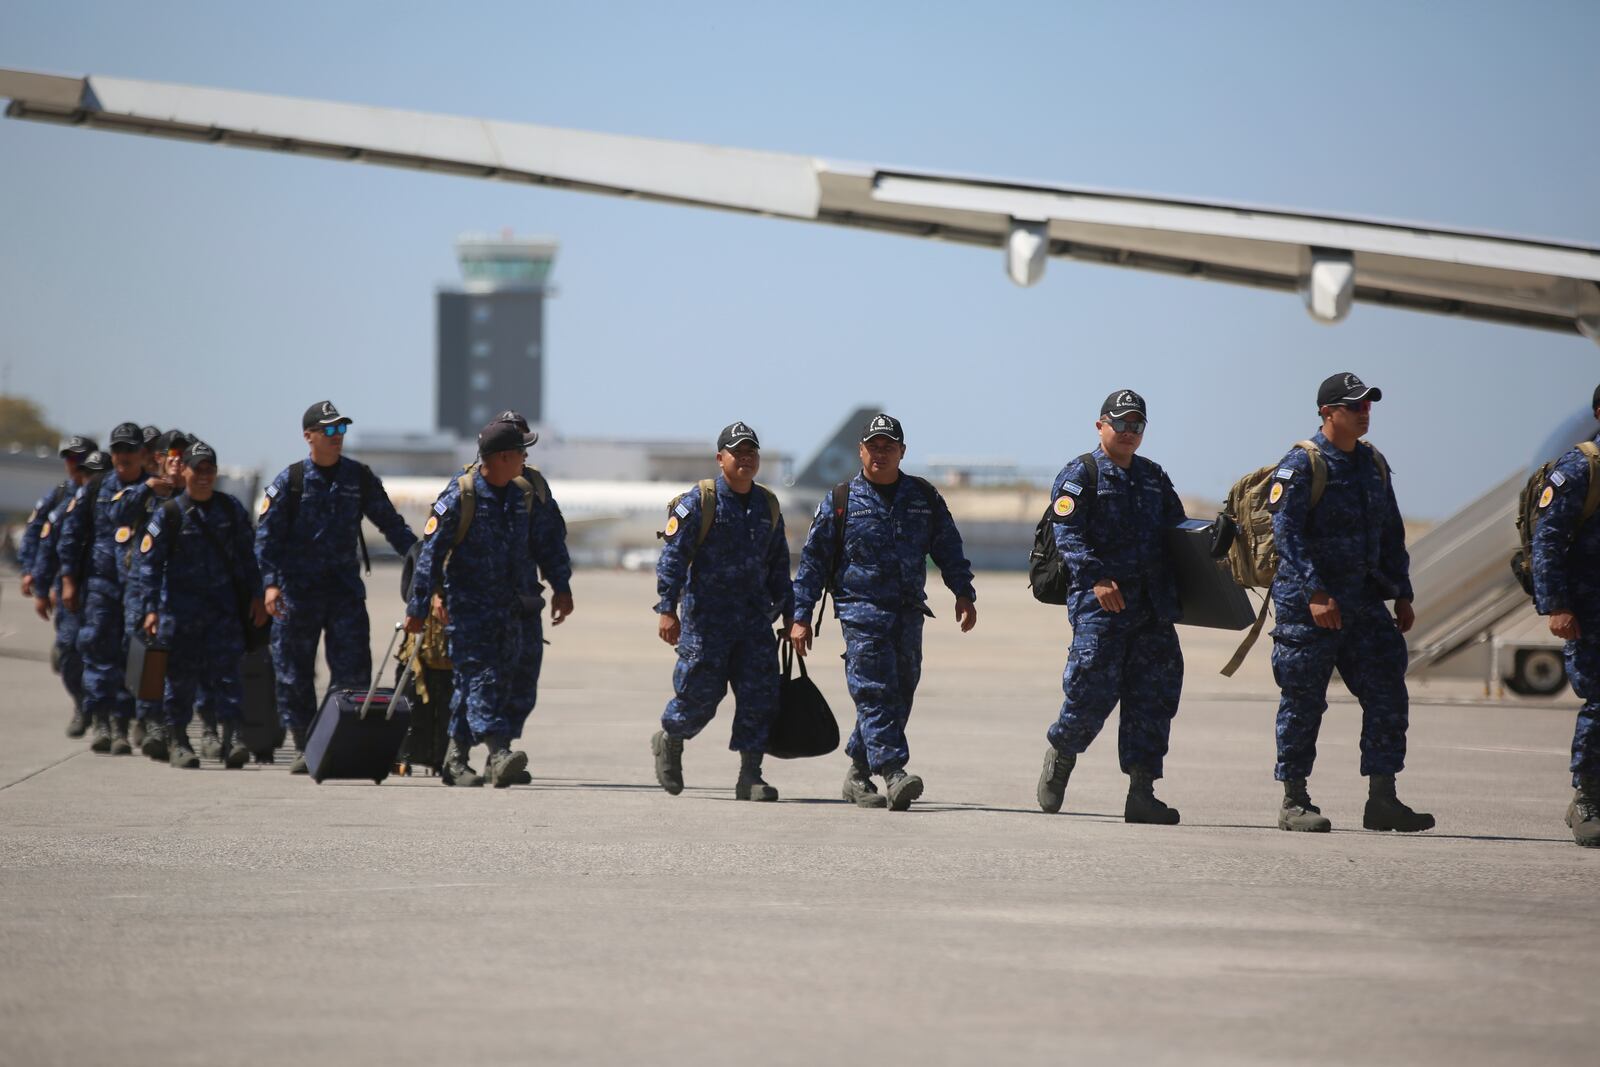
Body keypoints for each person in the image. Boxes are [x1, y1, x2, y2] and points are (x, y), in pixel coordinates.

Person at [1266, 373, 1432, 833]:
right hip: (1309, 607)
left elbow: (1391, 531)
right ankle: (1294, 801)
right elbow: (1287, 534)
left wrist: (1402, 591)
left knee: (1387, 693)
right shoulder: (1302, 464)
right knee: (1303, 701)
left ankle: (1383, 798)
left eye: (1368, 404)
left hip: (1362, 604)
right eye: (1354, 405)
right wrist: (1316, 592)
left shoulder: (1373, 463)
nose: (1364, 412)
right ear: (1327, 412)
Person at [790, 413, 977, 811]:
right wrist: (801, 616)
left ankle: (857, 776)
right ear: (860, 451)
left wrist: (963, 592)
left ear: (902, 452)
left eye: (888, 447)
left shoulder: (923, 498)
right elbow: (812, 564)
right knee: (874, 694)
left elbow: (948, 547)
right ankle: (894, 773)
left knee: (899, 696)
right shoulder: (840, 501)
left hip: (909, 613)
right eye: (873, 447)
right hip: (860, 613)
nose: (880, 454)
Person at [1036, 389, 1187, 824]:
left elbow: (1177, 532)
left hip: (1152, 609)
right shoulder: (1081, 474)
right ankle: (1062, 753)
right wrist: (1097, 577)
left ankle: (1142, 791)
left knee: (1153, 699)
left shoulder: (1154, 477)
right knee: (1090, 694)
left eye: (1136, 425)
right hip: (1101, 605)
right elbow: (1067, 532)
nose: (1127, 432)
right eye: (1119, 423)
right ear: (1100, 425)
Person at [256, 401, 417, 773]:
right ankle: (303, 744)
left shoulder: (358, 478)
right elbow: (266, 540)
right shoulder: (290, 482)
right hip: (297, 594)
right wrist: (269, 585)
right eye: (329, 431)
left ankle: (335, 741)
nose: (336, 437)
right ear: (308, 436)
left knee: (352, 672)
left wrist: (419, 559)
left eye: (341, 430)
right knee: (293, 672)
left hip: (344, 592)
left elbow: (391, 524)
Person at [651, 421, 793, 801]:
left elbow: (779, 566)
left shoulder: (768, 505)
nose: (745, 459)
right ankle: (670, 740)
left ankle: (751, 776)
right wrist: (667, 609)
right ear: (720, 458)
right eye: (737, 452)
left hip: (754, 623)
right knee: (698, 699)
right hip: (706, 624)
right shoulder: (699, 502)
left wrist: (793, 616)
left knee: (758, 700)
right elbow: (672, 560)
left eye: (751, 453)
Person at [404, 420, 541, 788]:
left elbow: (520, 556)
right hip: (467, 612)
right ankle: (498, 753)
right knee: (482, 679)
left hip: (507, 611)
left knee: (476, 685)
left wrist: (533, 597)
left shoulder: (515, 497)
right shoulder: (460, 497)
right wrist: (418, 609)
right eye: (521, 453)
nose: (526, 459)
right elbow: (429, 558)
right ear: (501, 457)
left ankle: (455, 759)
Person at [139, 440, 267, 769]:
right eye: (198, 470)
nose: (204, 476)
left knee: (228, 677)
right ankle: (179, 740)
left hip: (223, 613)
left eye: (210, 470)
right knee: (180, 680)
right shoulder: (167, 514)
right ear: (184, 471)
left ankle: (234, 738)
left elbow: (248, 557)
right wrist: (150, 609)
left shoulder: (230, 510)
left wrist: (257, 596)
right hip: (180, 615)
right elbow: (149, 566)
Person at [1529, 382, 1600, 847]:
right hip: (1590, 610)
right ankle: (1587, 797)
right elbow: (1547, 542)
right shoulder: (1580, 469)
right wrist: (1556, 605)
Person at [55, 421, 152, 755]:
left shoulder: (157, 491)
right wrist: (68, 580)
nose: (123, 456)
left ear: (142, 454)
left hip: (138, 588)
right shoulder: (96, 488)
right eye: (118, 450)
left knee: (131, 654)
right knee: (96, 650)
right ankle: (101, 721)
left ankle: (123, 725)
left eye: (130, 450)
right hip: (100, 584)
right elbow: (70, 535)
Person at [115, 428, 188, 760]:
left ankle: (168, 724)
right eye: (172, 456)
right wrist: (144, 488)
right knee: (147, 656)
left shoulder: (196, 494)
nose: (179, 463)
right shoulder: (145, 492)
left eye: (183, 457)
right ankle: (148, 721)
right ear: (158, 459)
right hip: (145, 587)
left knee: (181, 662)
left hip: (186, 589)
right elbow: (113, 515)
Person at [29, 448, 107, 737]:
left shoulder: (117, 505)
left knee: (103, 656)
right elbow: (48, 546)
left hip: (105, 590)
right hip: (70, 592)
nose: (86, 478)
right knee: (68, 652)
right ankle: (82, 704)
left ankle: (105, 718)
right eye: (82, 470)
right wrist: (40, 587)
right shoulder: (65, 504)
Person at [17, 434, 96, 604]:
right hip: (61, 580)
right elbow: (35, 530)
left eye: (79, 457)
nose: (72, 463)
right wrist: (30, 570)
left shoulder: (104, 492)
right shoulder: (60, 493)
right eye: (68, 458)